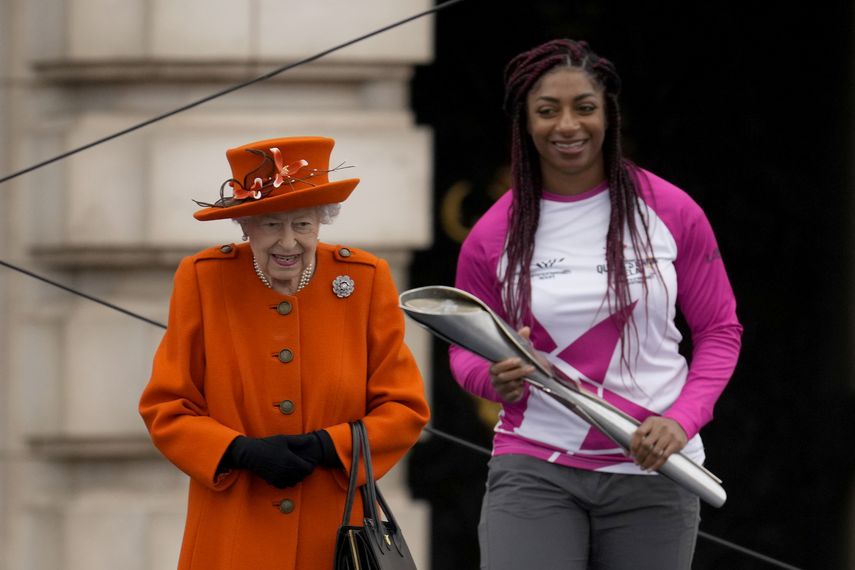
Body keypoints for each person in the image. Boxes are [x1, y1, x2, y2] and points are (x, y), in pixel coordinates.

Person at [449, 39, 742, 569]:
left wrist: (681, 421)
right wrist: (492, 381)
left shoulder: (672, 210)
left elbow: (720, 331)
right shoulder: (492, 233)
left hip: (653, 465)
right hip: (535, 464)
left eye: (584, 107)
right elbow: (462, 348)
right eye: (547, 111)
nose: (567, 125)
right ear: (525, 123)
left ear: (608, 114)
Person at [139, 136, 430, 569]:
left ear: (321, 222)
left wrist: (328, 446)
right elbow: (166, 406)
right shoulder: (204, 279)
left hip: (333, 533)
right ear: (246, 226)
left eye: (303, 225)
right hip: (233, 528)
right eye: (272, 224)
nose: (288, 243)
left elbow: (404, 408)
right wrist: (238, 451)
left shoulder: (365, 280)